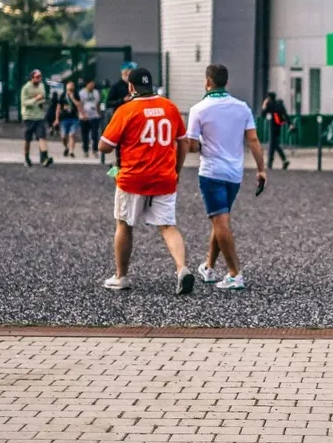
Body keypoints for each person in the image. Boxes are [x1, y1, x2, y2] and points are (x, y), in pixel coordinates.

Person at [98, 67, 195, 294]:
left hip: (133, 177)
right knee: (168, 226)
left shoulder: (126, 110)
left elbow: (104, 145)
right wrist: (176, 169)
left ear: (130, 87)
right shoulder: (170, 107)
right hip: (164, 176)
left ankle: (121, 276)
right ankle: (182, 269)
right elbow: (184, 143)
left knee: (124, 224)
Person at [189, 64, 267, 290]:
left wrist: (201, 145)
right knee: (219, 219)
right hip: (234, 173)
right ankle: (209, 266)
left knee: (220, 221)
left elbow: (192, 145)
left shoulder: (199, 109)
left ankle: (234, 273)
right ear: (226, 82)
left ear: (207, 82)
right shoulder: (242, 107)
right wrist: (261, 169)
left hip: (211, 172)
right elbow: (253, 140)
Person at [20, 70, 54, 167]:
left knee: (41, 136)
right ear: (32, 78)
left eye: (40, 77)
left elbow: (43, 97)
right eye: (37, 77)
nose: (39, 79)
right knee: (28, 139)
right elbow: (24, 103)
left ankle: (45, 157)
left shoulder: (41, 86)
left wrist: (41, 101)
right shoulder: (26, 88)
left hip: (39, 116)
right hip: (29, 116)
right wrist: (35, 99)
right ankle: (26, 157)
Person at [261, 91, 291, 170]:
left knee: (273, 144)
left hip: (272, 126)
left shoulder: (270, 105)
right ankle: (281, 161)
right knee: (274, 144)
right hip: (279, 126)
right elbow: (285, 114)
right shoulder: (279, 104)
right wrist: (290, 124)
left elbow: (262, 115)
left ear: (269, 98)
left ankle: (272, 162)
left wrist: (264, 105)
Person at [56, 81, 82, 158]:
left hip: (74, 118)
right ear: (66, 88)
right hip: (64, 118)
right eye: (69, 89)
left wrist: (72, 98)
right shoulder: (62, 96)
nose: (70, 91)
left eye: (72, 89)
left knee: (72, 135)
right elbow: (58, 108)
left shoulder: (76, 95)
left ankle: (71, 151)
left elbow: (79, 105)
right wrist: (57, 119)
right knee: (64, 136)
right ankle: (66, 147)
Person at [79, 79, 103, 158]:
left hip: (94, 116)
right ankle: (85, 150)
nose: (92, 86)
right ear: (87, 84)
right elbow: (80, 104)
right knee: (85, 134)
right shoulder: (82, 93)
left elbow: (97, 103)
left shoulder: (96, 92)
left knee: (95, 134)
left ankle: (95, 150)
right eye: (91, 84)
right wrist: (82, 114)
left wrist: (99, 113)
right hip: (84, 116)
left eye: (93, 84)